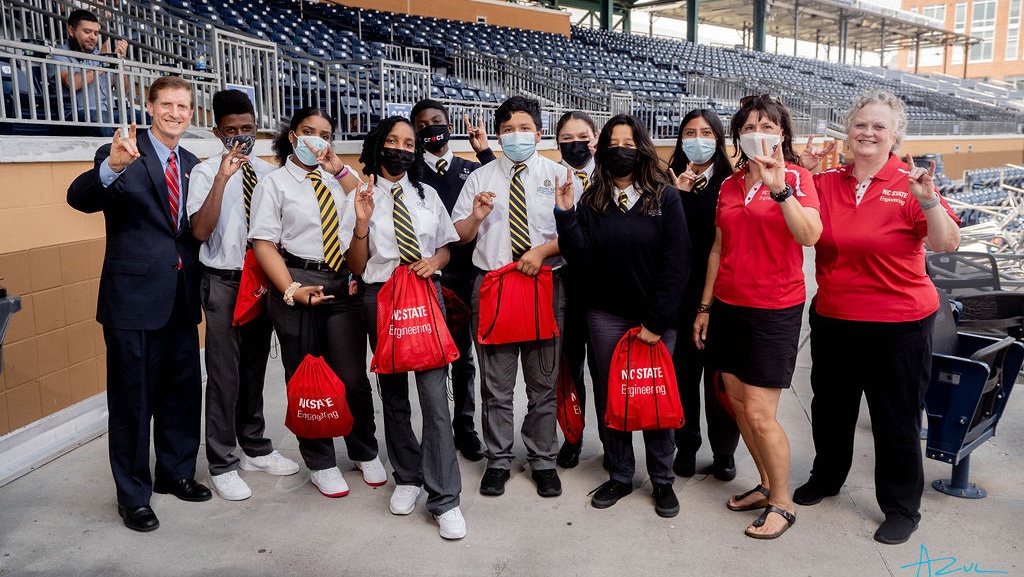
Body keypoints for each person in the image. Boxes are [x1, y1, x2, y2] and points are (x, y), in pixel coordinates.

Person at [793, 89, 961, 545]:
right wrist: (799, 175)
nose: (867, 132)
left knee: (896, 418)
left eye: (878, 126)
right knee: (830, 410)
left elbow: (946, 245)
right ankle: (827, 478)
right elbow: (794, 223)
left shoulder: (911, 184)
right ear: (847, 131)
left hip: (899, 326)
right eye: (860, 124)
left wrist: (928, 201)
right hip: (835, 318)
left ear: (895, 136)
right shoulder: (826, 183)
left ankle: (902, 506)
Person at [67, 76, 211, 532]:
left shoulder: (193, 163)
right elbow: (80, 198)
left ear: (192, 113)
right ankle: (132, 495)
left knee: (182, 396)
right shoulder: (123, 150)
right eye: (166, 104)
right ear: (149, 107)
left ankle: (175, 473)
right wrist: (110, 166)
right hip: (131, 301)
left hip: (181, 299)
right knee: (132, 402)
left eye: (183, 106)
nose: (175, 113)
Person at [692, 94, 821, 539]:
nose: (758, 133)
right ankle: (766, 485)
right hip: (728, 307)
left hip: (774, 310)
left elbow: (810, 235)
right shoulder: (729, 186)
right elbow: (718, 248)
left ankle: (783, 504)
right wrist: (705, 307)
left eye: (767, 125)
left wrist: (780, 188)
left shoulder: (798, 179)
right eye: (749, 126)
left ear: (782, 134)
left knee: (762, 414)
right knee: (739, 408)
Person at [555, 114, 691, 517]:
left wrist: (656, 322)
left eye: (628, 143)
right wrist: (565, 214)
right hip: (606, 317)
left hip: (654, 321)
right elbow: (579, 259)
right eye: (612, 144)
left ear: (642, 148)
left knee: (655, 398)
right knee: (611, 398)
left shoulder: (665, 198)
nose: (620, 151)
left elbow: (676, 264)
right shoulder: (593, 199)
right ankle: (620, 474)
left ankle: (663, 480)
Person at [339, 116, 466, 540]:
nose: (402, 148)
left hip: (425, 297)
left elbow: (446, 246)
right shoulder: (359, 195)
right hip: (382, 297)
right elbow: (356, 267)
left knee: (434, 397)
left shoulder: (427, 194)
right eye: (393, 140)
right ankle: (408, 477)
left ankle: (445, 497)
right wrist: (361, 222)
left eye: (409, 143)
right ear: (379, 146)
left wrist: (436, 261)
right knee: (393, 395)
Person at [248, 107, 384, 499]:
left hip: (341, 282)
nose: (316, 140)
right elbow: (263, 243)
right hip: (297, 281)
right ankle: (320, 461)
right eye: (308, 131)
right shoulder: (274, 184)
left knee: (352, 378)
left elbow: (365, 199)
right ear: (293, 136)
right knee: (306, 377)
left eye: (324, 134)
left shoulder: (336, 179)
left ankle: (363, 448)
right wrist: (291, 289)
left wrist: (340, 169)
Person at [187, 89, 300, 501]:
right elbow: (199, 231)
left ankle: (253, 446)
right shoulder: (203, 174)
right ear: (217, 132)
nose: (241, 137)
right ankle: (221, 461)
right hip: (224, 281)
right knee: (223, 375)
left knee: (254, 369)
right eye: (231, 130)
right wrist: (223, 176)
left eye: (247, 129)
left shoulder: (271, 175)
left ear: (258, 129)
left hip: (263, 280)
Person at [452, 95, 567, 498]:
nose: (515, 136)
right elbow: (461, 236)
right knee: (496, 386)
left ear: (538, 132)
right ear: (498, 136)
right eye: (507, 130)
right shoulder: (480, 179)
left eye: (523, 128)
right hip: (494, 286)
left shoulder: (559, 175)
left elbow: (577, 236)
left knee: (543, 384)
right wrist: (477, 217)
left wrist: (542, 252)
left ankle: (542, 460)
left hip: (544, 285)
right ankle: (498, 459)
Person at [410, 99, 496, 462]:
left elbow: (502, 184)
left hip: (466, 277)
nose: (432, 128)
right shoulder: (411, 171)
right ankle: (437, 433)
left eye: (438, 121)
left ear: (449, 125)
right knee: (431, 363)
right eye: (423, 124)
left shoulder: (470, 169)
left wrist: (486, 151)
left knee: (464, 361)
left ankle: (465, 428)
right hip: (425, 280)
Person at [666, 109, 741, 481]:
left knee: (721, 381)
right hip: (679, 296)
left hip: (721, 296)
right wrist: (675, 195)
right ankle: (687, 444)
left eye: (706, 132)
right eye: (690, 132)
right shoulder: (666, 182)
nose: (698, 139)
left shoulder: (732, 183)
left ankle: (724, 450)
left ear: (719, 139)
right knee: (683, 377)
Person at [552, 110, 600, 469]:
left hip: (604, 289)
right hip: (565, 286)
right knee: (570, 368)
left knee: (605, 370)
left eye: (581, 137)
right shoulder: (551, 177)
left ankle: (614, 442)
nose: (574, 145)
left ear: (595, 137)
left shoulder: (614, 176)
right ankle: (573, 436)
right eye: (566, 139)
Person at [50, 9, 130, 135]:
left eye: (96, 33)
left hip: (107, 113)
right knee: (101, 120)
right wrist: (102, 64)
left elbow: (124, 90)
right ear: (71, 31)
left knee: (146, 118)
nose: (93, 37)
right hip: (75, 115)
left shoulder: (101, 55)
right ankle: (114, 154)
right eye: (87, 32)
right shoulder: (58, 54)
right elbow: (72, 83)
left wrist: (119, 62)